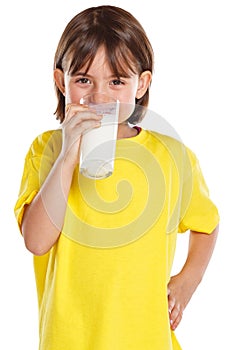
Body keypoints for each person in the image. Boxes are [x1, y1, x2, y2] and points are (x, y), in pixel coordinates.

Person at [14, 5, 219, 350]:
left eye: (116, 81)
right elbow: (35, 241)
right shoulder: (46, 150)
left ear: (141, 84)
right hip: (68, 340)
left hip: (146, 339)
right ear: (60, 82)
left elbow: (207, 223)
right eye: (83, 80)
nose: (99, 96)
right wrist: (68, 155)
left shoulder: (171, 157)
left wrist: (188, 280)